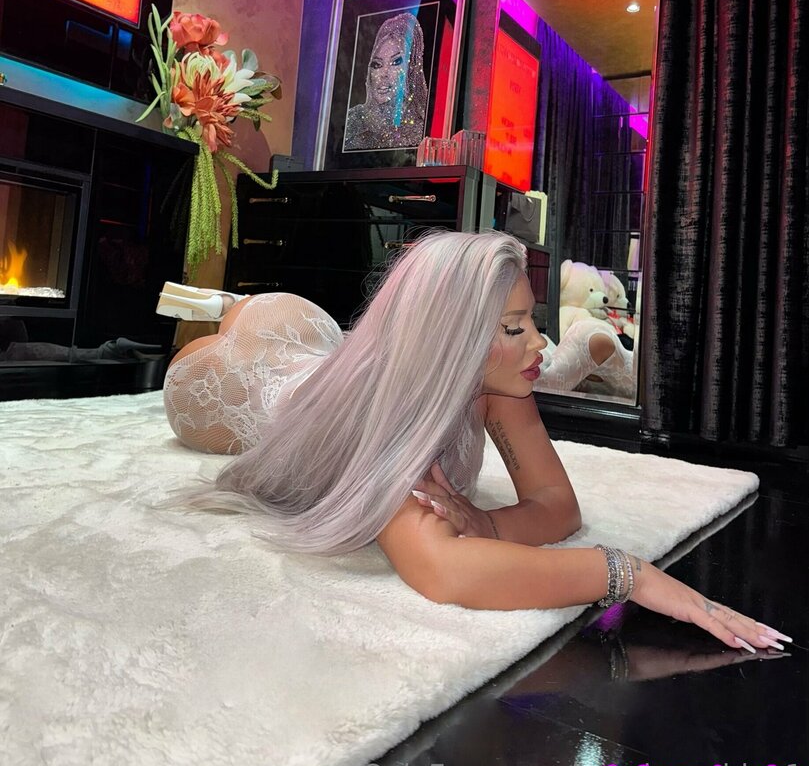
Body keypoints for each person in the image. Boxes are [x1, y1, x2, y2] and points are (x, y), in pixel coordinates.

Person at [156, 231, 789, 655]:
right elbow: (442, 569)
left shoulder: (497, 380)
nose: (537, 342)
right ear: (450, 341)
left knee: (315, 336)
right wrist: (624, 573)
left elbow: (558, 506)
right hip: (242, 383)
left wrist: (487, 522)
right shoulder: (391, 411)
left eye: (531, 320)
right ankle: (223, 309)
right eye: (514, 327)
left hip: (320, 341)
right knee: (205, 351)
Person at [343, 12, 429, 151]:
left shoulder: (422, 131)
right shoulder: (352, 120)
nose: (384, 74)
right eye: (377, 64)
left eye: (395, 62)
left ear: (411, 68)